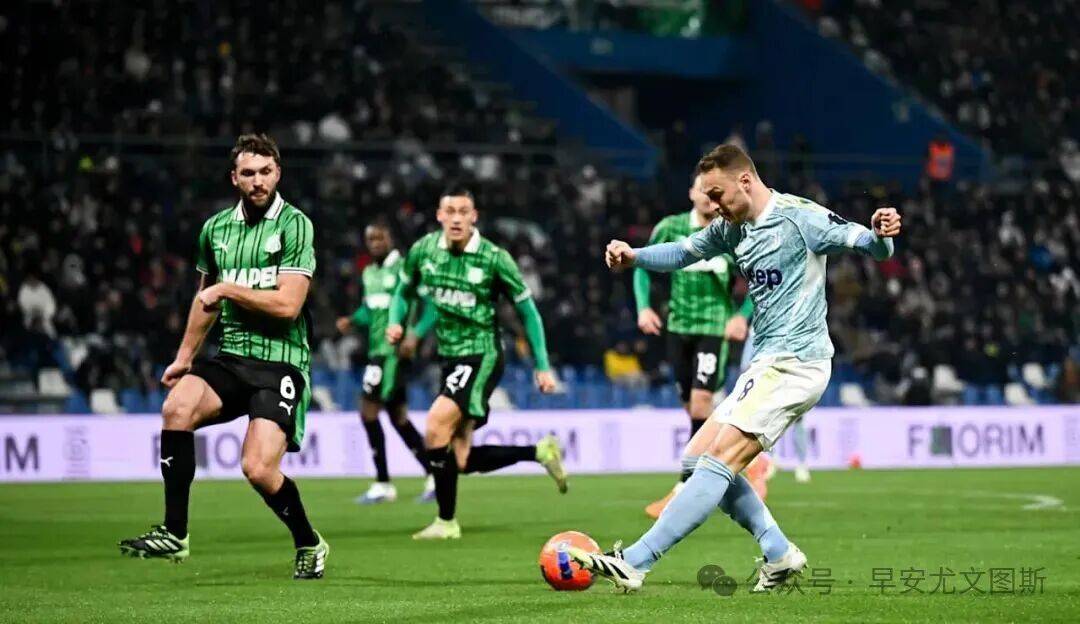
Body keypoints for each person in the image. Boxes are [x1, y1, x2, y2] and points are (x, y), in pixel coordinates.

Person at [568, 144, 901, 592]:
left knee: (719, 460)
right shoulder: (732, 228)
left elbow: (868, 244)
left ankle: (635, 561)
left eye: (717, 194)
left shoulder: (800, 218)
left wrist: (882, 233)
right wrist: (635, 256)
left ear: (745, 181)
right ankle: (779, 553)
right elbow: (683, 252)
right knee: (696, 457)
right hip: (766, 364)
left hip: (796, 363)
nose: (713, 205)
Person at [118, 134, 330, 579]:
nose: (258, 181)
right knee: (176, 408)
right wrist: (184, 357)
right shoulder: (215, 230)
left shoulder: (296, 225)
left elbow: (288, 305)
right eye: (248, 173)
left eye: (266, 172)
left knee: (257, 468)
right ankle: (175, 532)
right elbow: (205, 302)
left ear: (278, 173)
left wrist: (229, 288)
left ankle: (309, 542)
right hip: (232, 357)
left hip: (281, 362)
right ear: (234, 178)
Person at [386, 184, 567, 540]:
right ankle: (539, 451)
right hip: (449, 357)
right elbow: (402, 292)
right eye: (450, 211)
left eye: (463, 212)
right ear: (439, 215)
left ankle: (446, 522)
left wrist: (542, 365)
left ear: (474, 217)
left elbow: (528, 312)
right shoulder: (424, 251)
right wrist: (396, 321)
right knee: (461, 459)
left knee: (435, 424)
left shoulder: (494, 258)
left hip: (482, 353)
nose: (456, 219)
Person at [634, 173, 752, 518]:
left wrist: (741, 316)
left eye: (713, 191)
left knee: (701, 402)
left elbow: (757, 277)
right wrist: (643, 307)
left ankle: (685, 487)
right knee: (692, 407)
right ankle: (732, 464)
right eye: (702, 190)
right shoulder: (670, 228)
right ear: (691, 193)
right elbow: (641, 265)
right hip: (678, 328)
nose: (707, 197)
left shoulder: (731, 231)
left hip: (713, 328)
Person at [335, 220, 437, 504]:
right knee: (398, 418)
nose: (376, 243)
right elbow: (370, 310)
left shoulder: (406, 269)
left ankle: (383, 483)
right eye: (371, 239)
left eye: (380, 238)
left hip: (393, 353)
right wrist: (352, 320)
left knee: (368, 412)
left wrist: (415, 335)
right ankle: (434, 474)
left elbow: (431, 307)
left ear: (390, 238)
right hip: (376, 351)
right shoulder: (369, 272)